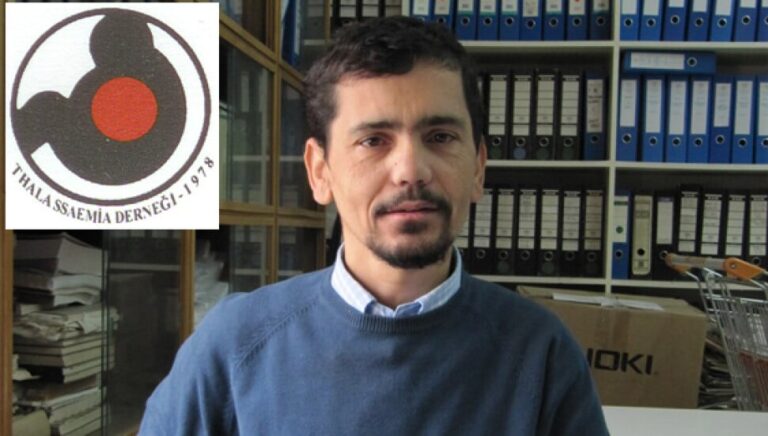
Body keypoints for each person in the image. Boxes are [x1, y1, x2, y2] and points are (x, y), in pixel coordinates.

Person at [139, 16, 609, 435]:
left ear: (479, 168)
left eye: (440, 137)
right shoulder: (235, 346)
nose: (410, 170)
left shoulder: (542, 354)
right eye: (373, 141)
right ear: (320, 172)